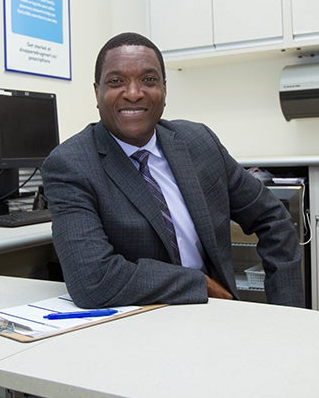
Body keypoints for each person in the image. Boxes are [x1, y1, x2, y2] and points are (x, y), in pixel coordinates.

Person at [41, 32, 305, 309]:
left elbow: (272, 218)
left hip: (220, 317)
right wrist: (199, 283)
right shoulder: (71, 165)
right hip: (140, 327)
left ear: (164, 90)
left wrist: (286, 311)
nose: (133, 93)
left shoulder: (199, 142)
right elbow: (93, 280)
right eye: (116, 81)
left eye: (148, 80)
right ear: (97, 92)